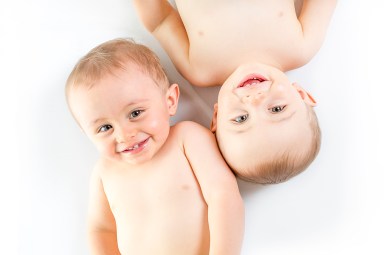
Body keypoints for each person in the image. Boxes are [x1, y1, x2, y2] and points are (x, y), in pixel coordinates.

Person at [65, 38, 244, 254]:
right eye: (105, 128)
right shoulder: (104, 173)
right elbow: (101, 230)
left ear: (169, 101)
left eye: (135, 113)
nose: (124, 135)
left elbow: (224, 196)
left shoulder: (188, 138)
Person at [133, 0, 337, 184]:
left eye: (241, 119)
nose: (255, 101)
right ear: (302, 95)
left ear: (216, 116)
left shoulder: (200, 69)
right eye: (276, 109)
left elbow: (161, 21)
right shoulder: (300, 48)